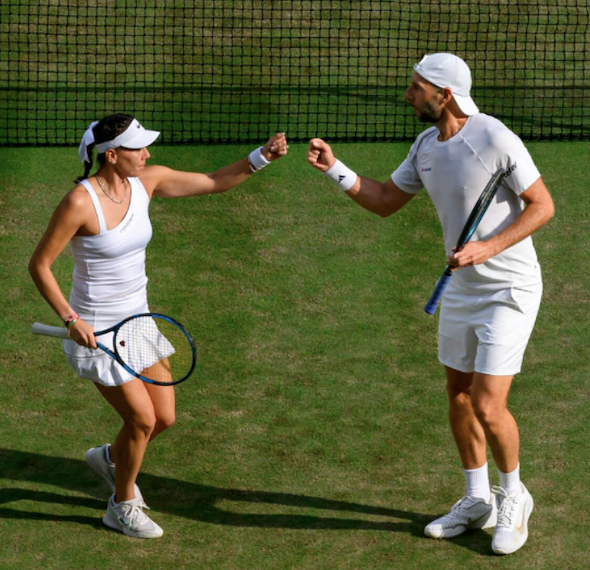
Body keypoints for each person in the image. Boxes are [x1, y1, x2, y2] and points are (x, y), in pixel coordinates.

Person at [306, 53, 554, 555]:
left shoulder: (494, 137)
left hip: (509, 290)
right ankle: (476, 497)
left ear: (445, 94)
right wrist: (336, 169)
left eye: (417, 87)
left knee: (488, 403)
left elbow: (542, 205)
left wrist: (487, 247)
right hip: (461, 289)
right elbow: (383, 199)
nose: (408, 95)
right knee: (458, 393)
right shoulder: (424, 146)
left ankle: (514, 496)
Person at [28, 114, 287, 538]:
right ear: (111, 156)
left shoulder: (148, 181)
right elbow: (39, 265)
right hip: (99, 334)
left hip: (140, 322)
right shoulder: (80, 202)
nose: (147, 154)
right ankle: (122, 503)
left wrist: (263, 156)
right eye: (138, 148)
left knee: (163, 418)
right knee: (143, 421)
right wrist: (71, 319)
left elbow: (213, 180)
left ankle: (111, 458)